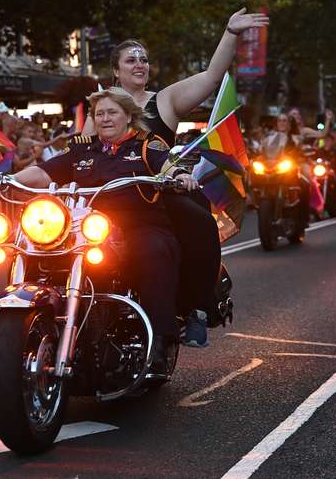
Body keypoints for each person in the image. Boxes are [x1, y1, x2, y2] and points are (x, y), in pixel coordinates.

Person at [79, 8, 268, 347]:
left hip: (159, 194)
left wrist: (230, 32)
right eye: (131, 60)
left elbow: (211, 76)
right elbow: (82, 159)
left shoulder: (163, 100)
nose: (140, 65)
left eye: (144, 60)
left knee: (201, 223)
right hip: (110, 198)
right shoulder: (102, 110)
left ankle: (194, 307)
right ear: (115, 71)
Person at [13, 88, 198, 371]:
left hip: (138, 223)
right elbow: (44, 172)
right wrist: (5, 178)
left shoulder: (147, 145)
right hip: (86, 226)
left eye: (112, 112)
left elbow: (166, 166)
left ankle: (161, 338)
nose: (105, 118)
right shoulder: (81, 148)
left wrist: (179, 175)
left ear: (128, 116)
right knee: (32, 248)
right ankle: (27, 327)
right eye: (100, 114)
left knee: (154, 252)